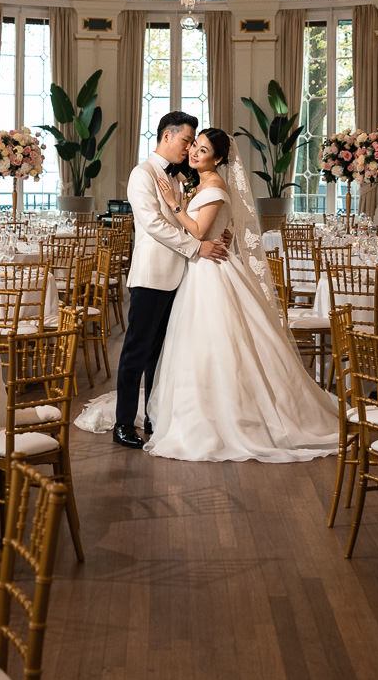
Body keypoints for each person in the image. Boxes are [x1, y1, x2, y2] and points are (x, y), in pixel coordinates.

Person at [140, 128, 336, 463]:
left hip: (211, 271)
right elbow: (211, 228)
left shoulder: (214, 185)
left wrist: (173, 205)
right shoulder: (202, 183)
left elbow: (200, 231)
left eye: (202, 150)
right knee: (200, 345)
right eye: (194, 148)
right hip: (200, 267)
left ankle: (230, 413)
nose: (194, 153)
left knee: (221, 341)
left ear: (217, 158)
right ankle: (201, 406)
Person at [108, 112, 229, 449]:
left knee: (159, 355)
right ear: (166, 136)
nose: (190, 148)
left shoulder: (177, 178)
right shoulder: (142, 174)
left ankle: (153, 416)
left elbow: (189, 219)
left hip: (180, 276)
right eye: (186, 141)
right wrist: (198, 248)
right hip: (152, 275)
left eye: (194, 143)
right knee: (136, 351)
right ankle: (123, 423)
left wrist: (217, 234)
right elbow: (152, 224)